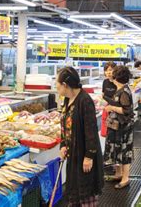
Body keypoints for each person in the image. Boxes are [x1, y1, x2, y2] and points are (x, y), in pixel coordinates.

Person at [57, 67, 104, 206]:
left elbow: (91, 131)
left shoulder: (85, 101)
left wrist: (89, 156)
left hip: (84, 157)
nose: (57, 89)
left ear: (65, 85)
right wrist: (63, 144)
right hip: (73, 156)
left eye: (58, 86)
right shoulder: (67, 99)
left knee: (86, 194)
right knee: (74, 193)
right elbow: (65, 125)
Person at [104, 66, 135, 189]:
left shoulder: (124, 92)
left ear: (117, 78)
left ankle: (125, 177)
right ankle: (118, 173)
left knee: (124, 151)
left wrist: (111, 108)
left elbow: (126, 110)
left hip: (123, 127)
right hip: (116, 126)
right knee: (116, 150)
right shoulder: (121, 89)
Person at [101, 62, 117, 138]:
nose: (108, 72)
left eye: (110, 70)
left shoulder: (117, 82)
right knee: (106, 132)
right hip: (106, 109)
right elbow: (103, 95)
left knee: (114, 132)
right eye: (106, 70)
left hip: (115, 110)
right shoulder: (105, 82)